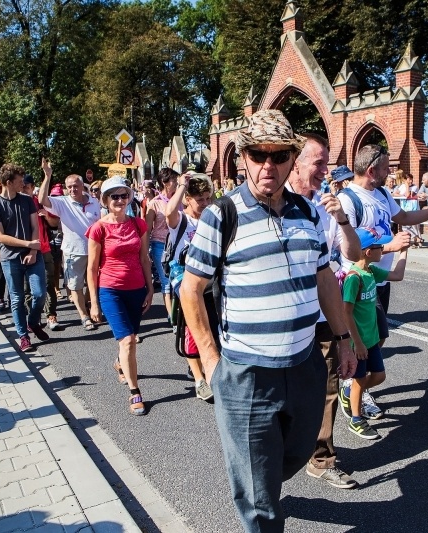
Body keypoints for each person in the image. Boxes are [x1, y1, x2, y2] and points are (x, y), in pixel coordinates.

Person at [179, 110, 356, 532]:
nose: (267, 165)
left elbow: (325, 279)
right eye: (258, 154)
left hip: (304, 364)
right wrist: (209, 358)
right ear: (243, 156)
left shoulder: (308, 213)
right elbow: (190, 290)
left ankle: (260, 485)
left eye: (278, 156)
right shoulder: (221, 214)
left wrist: (345, 338)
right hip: (247, 374)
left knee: (295, 453)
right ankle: (259, 501)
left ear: (292, 158)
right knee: (259, 498)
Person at [337, 146, 428, 413]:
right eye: (385, 168)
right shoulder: (348, 199)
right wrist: (391, 246)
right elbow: (350, 245)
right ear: (371, 170)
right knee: (364, 341)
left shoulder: (380, 193)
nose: (389, 173)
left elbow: (404, 217)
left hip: (379, 280)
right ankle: (354, 387)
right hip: (358, 281)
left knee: (377, 338)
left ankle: (355, 385)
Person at [287, 134, 363, 489]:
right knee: (282, 392)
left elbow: (354, 255)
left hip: (321, 318)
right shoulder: (274, 204)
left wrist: (343, 220)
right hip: (284, 321)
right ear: (296, 162)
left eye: (326, 163)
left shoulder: (327, 208)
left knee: (328, 388)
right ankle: (279, 460)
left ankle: (321, 458)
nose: (326, 171)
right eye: (318, 163)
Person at [86, 177, 154, 415]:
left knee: (131, 338)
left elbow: (145, 259)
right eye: (114, 196)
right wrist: (93, 303)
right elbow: (92, 268)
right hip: (110, 290)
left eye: (124, 195)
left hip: (136, 289)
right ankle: (135, 392)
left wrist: (150, 287)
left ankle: (120, 363)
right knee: (128, 341)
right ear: (105, 200)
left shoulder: (139, 225)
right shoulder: (99, 228)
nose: (120, 200)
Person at [340, 227, 408, 440]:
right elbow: (346, 313)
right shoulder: (354, 277)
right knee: (360, 380)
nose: (384, 251)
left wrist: (404, 251)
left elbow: (397, 275)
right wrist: (356, 343)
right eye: (380, 248)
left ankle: (350, 394)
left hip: (370, 339)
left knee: (379, 376)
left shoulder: (371, 271)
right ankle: (357, 419)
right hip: (358, 343)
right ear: (368, 252)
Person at [165, 172, 215, 401]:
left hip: (209, 273)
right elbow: (168, 212)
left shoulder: (212, 217)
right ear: (188, 199)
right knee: (194, 322)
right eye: (199, 199)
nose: (204, 203)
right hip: (182, 271)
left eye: (207, 198)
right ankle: (199, 379)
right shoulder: (182, 220)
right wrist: (183, 185)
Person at [0, 163, 48, 352]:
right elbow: (0, 237)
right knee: (17, 298)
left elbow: (35, 226)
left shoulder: (26, 200)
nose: (23, 184)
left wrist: (32, 250)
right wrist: (27, 245)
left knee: (39, 294)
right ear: (8, 183)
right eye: (20, 181)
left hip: (32, 255)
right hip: (10, 258)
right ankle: (23, 336)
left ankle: (33, 322)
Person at [38, 159, 101, 331]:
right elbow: (42, 199)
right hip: (74, 251)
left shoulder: (94, 202)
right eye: (70, 187)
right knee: (75, 285)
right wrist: (47, 175)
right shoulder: (63, 202)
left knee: (94, 283)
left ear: (82, 186)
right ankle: (84, 317)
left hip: (95, 251)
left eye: (76, 186)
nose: (73, 189)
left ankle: (89, 305)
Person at [23, 174, 60, 331]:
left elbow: (55, 223)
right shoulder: (16, 204)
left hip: (43, 249)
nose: (23, 190)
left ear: (32, 187)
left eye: (26, 187)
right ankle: (34, 317)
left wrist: (46, 216)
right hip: (24, 251)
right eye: (21, 187)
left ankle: (51, 315)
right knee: (27, 287)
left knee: (48, 284)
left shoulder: (40, 202)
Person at [145, 168, 180, 320]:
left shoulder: (180, 200)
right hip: (160, 245)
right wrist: (145, 252)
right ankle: (172, 318)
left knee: (179, 280)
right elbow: (147, 229)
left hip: (178, 244)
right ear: (164, 183)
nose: (177, 183)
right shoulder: (154, 204)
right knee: (167, 282)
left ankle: (180, 314)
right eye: (174, 180)